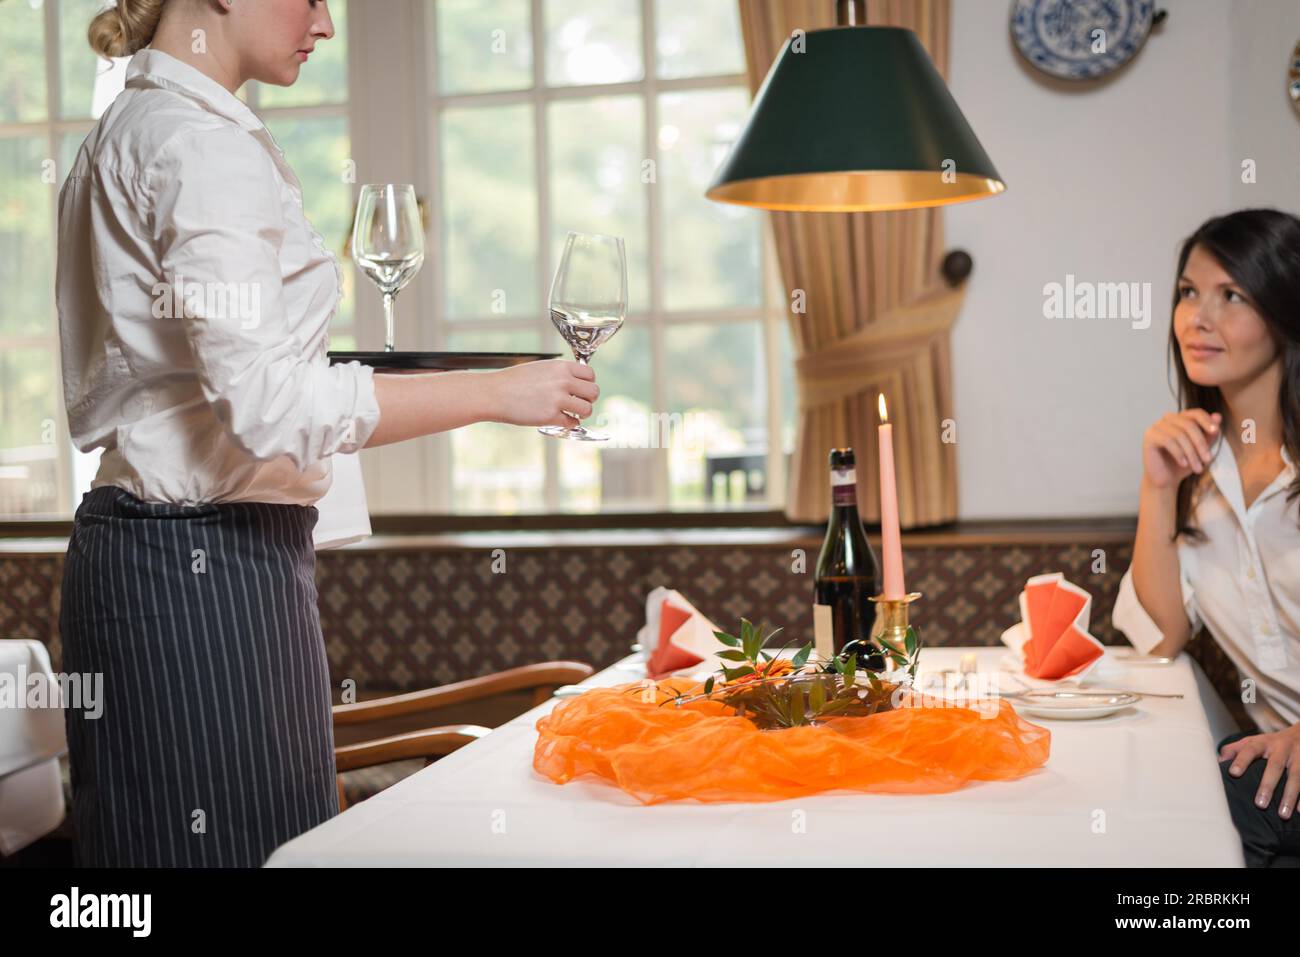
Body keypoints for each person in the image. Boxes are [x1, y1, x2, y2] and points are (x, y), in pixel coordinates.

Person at [56, 0, 597, 867]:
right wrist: (499, 392)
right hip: (198, 573)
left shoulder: (137, 126)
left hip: (184, 560)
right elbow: (270, 405)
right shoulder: (196, 143)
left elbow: (213, 375)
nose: (326, 23)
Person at [1113, 208, 1300, 866]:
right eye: (1188, 292)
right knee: (1165, 805)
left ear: (1285, 310)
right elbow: (1162, 632)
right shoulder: (1199, 466)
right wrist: (1157, 485)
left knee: (1184, 833)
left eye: (1233, 296)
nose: (1198, 317)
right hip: (1283, 766)